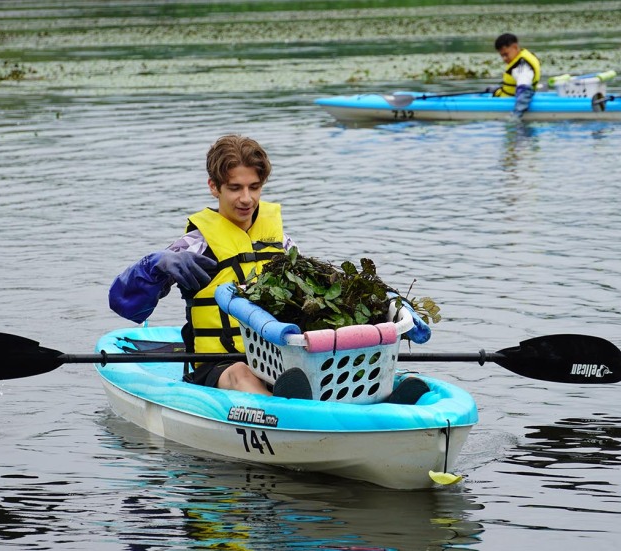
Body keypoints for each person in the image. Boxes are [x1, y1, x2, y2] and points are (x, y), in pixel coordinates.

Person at [108, 134, 429, 405]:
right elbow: (127, 303)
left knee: (330, 356)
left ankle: (381, 396)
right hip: (217, 367)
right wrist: (155, 266)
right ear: (214, 187)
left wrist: (391, 302)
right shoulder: (192, 247)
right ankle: (287, 412)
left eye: (254, 187)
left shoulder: (282, 244)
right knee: (241, 373)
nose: (246, 199)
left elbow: (328, 288)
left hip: (280, 360)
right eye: (235, 188)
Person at [492, 33, 541, 119]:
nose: (504, 59)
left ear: (515, 47)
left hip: (510, 102)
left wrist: (515, 116)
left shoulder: (521, 67)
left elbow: (524, 92)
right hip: (508, 96)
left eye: (506, 54)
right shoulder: (522, 58)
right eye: (502, 56)